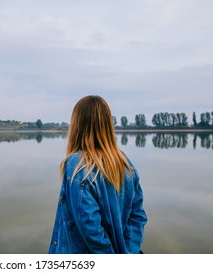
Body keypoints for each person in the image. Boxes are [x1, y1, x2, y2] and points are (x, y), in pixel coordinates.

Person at [49, 95, 147, 254]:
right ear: (108, 124)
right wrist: (129, 252)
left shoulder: (77, 164)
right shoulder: (125, 164)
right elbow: (138, 217)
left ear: (77, 125)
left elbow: (90, 226)